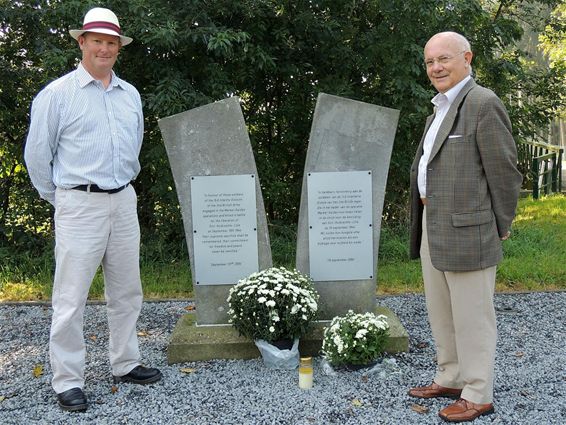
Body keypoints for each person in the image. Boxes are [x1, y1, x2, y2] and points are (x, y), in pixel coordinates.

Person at [24, 7, 161, 412]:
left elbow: (132, 148)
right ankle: (67, 380)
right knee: (71, 297)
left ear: (119, 47)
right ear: (81, 42)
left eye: (112, 42)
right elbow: (36, 158)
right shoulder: (57, 95)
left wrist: (118, 191)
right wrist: (64, 198)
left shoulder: (130, 94)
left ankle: (125, 362)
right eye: (97, 40)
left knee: (127, 290)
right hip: (78, 202)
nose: (105, 48)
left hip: (123, 200)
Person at [408, 32, 522, 422]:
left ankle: (478, 392)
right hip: (432, 224)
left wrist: (502, 222)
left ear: (467, 58)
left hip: (469, 228)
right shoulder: (438, 109)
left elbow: (504, 171)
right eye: (429, 62)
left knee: (473, 316)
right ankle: (452, 376)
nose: (436, 68)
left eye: (444, 59)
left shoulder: (482, 103)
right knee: (441, 311)